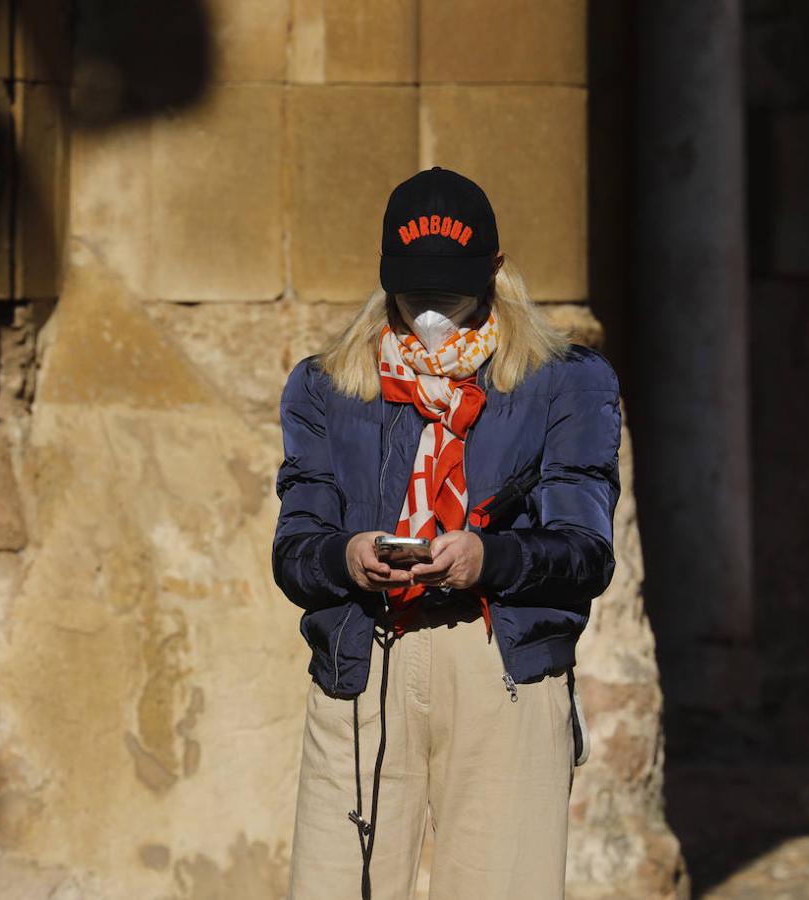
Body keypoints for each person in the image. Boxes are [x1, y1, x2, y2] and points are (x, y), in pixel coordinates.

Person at [272, 167, 622, 900]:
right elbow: (295, 550)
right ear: (384, 276)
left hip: (500, 666)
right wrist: (348, 555)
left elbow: (586, 552)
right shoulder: (324, 386)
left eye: (450, 288)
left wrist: (487, 557)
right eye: (414, 289)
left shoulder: (565, 381)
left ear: (495, 271)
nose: (431, 309)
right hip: (364, 665)